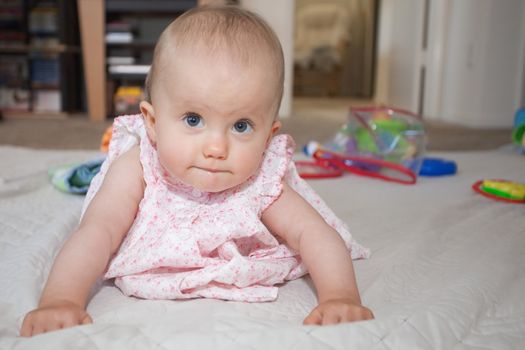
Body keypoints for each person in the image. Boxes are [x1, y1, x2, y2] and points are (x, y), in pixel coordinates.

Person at [20, 5, 373, 337]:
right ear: (153, 123)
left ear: (268, 136)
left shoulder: (260, 180)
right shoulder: (140, 167)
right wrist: (61, 299)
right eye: (193, 119)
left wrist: (340, 296)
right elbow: (98, 230)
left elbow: (314, 234)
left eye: (242, 126)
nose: (216, 148)